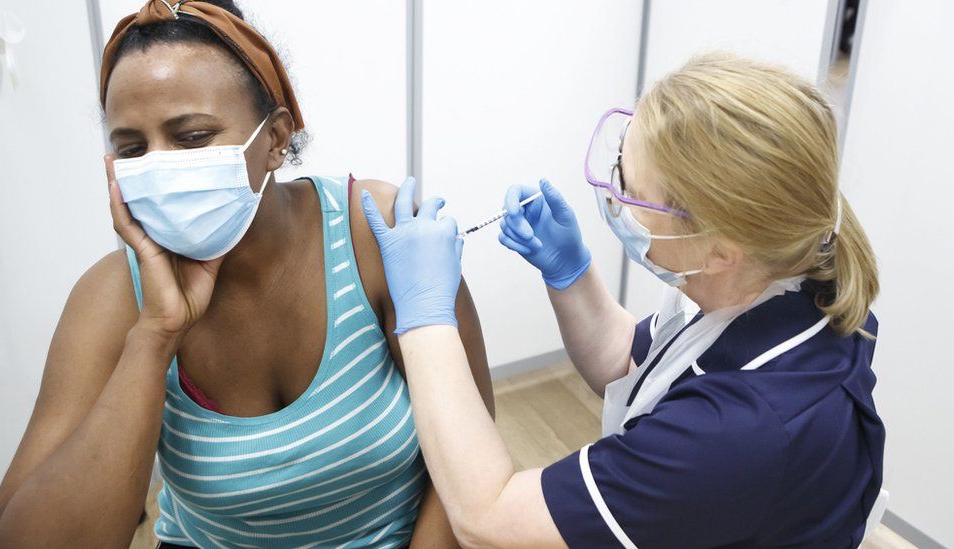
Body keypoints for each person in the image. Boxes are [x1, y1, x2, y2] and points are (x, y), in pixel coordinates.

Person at [0, 1, 491, 547]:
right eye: (131, 149)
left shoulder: (378, 233)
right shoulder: (113, 298)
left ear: (275, 139)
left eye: (192, 137)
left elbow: (472, 459)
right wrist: (155, 336)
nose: (159, 166)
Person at [361, 53, 886, 548]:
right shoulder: (782, 283)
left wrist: (425, 315)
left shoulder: (736, 433)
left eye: (631, 192)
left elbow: (488, 518)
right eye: (619, 163)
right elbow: (632, 366)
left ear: (720, 250)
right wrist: (572, 276)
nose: (613, 195)